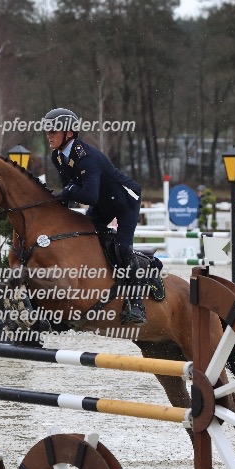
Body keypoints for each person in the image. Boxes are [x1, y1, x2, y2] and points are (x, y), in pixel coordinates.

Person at [43, 107, 146, 326]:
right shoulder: (57, 157)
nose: (49, 135)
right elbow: (70, 191)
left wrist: (66, 194)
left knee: (123, 248)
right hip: (103, 202)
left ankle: (137, 305)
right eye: (48, 130)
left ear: (69, 133)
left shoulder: (85, 158)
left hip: (124, 201)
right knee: (85, 235)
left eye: (54, 130)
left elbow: (87, 195)